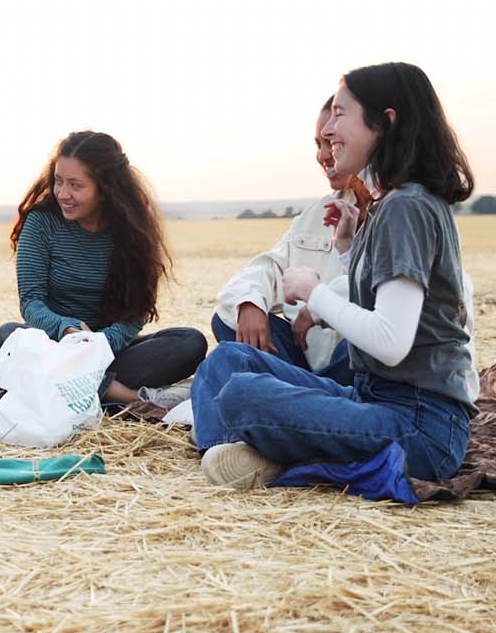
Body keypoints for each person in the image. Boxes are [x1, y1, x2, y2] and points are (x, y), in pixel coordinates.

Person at [191, 62, 478, 489]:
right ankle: (246, 454)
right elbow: (390, 302)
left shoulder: (406, 207)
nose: (328, 131)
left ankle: (255, 455)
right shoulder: (394, 204)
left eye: (341, 114)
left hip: (422, 429)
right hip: (377, 399)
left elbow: (392, 342)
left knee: (241, 396)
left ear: (386, 123)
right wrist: (349, 249)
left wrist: (315, 293)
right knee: (229, 362)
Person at [0, 131, 206, 406]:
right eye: (58, 182)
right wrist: (67, 330)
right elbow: (31, 302)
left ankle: (74, 386)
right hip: (54, 346)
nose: (62, 194)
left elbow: (135, 312)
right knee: (7, 336)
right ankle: (127, 397)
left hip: (109, 349)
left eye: (75, 185)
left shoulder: (132, 230)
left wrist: (101, 343)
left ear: (106, 188)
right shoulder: (41, 222)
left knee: (190, 342)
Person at [211, 97, 373, 385]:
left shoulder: (400, 211)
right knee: (229, 320)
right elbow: (269, 267)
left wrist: (319, 306)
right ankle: (309, 396)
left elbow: (389, 301)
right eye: (319, 144)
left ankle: (298, 399)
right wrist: (250, 304)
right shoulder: (317, 214)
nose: (324, 155)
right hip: (308, 362)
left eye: (332, 143)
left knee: (362, 343)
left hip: (354, 361)